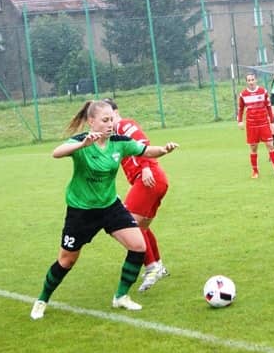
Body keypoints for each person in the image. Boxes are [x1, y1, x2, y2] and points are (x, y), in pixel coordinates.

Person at [30, 100, 179, 319]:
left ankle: (121, 297)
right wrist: (81, 145)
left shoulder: (119, 142)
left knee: (138, 246)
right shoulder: (82, 141)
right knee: (66, 261)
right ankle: (42, 299)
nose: (110, 124)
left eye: (111, 119)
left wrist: (164, 150)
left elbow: (146, 150)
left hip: (110, 207)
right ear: (91, 121)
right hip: (81, 211)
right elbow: (57, 152)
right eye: (105, 120)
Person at [104, 98, 170, 292]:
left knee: (129, 225)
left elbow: (143, 142)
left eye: (109, 115)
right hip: (154, 181)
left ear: (116, 112)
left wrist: (146, 167)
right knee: (142, 227)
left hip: (149, 178)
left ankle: (151, 268)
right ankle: (158, 265)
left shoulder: (124, 125)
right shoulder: (113, 137)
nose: (107, 120)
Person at [237, 73, 274, 178]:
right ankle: (255, 172)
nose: (251, 82)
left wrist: (272, 123)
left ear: (256, 80)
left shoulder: (263, 91)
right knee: (253, 148)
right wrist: (240, 121)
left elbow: (268, 107)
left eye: (252, 79)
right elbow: (240, 109)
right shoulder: (243, 94)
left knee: (270, 145)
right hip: (251, 125)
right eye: (249, 80)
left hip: (263, 123)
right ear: (246, 82)